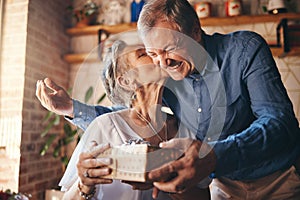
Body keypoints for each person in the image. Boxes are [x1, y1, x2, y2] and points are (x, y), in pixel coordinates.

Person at [36, 0, 300, 199]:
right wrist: (71, 108)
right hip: (222, 187)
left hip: (276, 179)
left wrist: (212, 156)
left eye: (170, 48)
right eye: (152, 54)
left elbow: (279, 122)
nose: (163, 62)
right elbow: (131, 118)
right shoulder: (171, 75)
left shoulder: (243, 50)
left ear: (196, 31)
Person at [48, 40, 210, 200]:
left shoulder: (185, 130)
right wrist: (84, 186)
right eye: (142, 54)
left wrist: (167, 180)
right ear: (126, 81)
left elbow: (204, 196)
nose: (155, 56)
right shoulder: (105, 125)